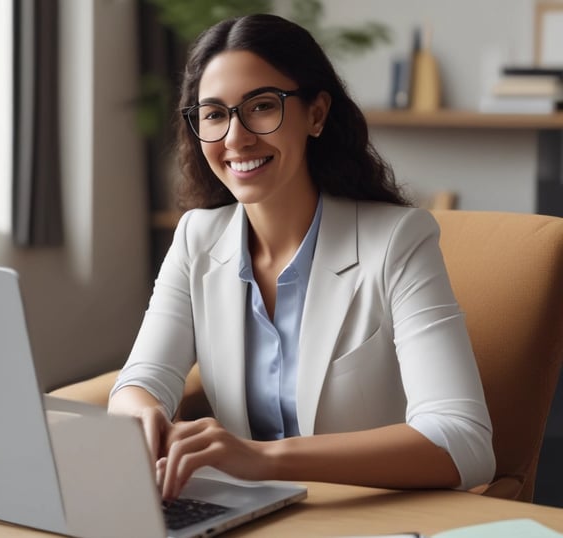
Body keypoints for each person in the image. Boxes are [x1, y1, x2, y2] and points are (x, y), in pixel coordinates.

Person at [109, 13, 495, 501]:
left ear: (316, 114)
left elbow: (463, 442)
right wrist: (140, 414)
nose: (235, 138)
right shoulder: (196, 238)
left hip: (364, 520)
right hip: (244, 514)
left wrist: (261, 458)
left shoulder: (399, 240)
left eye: (262, 107)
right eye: (214, 114)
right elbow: (142, 379)